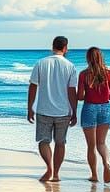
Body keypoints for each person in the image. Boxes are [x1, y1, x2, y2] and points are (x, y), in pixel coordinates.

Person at [27, 35, 78, 183]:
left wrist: (30, 107)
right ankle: (55, 174)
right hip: (63, 111)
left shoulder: (40, 63)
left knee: (44, 141)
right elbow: (71, 91)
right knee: (60, 143)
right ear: (65, 48)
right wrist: (74, 111)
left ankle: (49, 168)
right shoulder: (70, 66)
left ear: (52, 47)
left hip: (43, 109)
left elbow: (33, 86)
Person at [76, 46, 110, 183]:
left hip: (89, 108)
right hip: (105, 108)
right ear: (101, 58)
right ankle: (106, 163)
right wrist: (104, 95)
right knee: (102, 143)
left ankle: (94, 175)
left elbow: (80, 97)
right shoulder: (109, 74)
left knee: (91, 146)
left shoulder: (83, 74)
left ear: (88, 58)